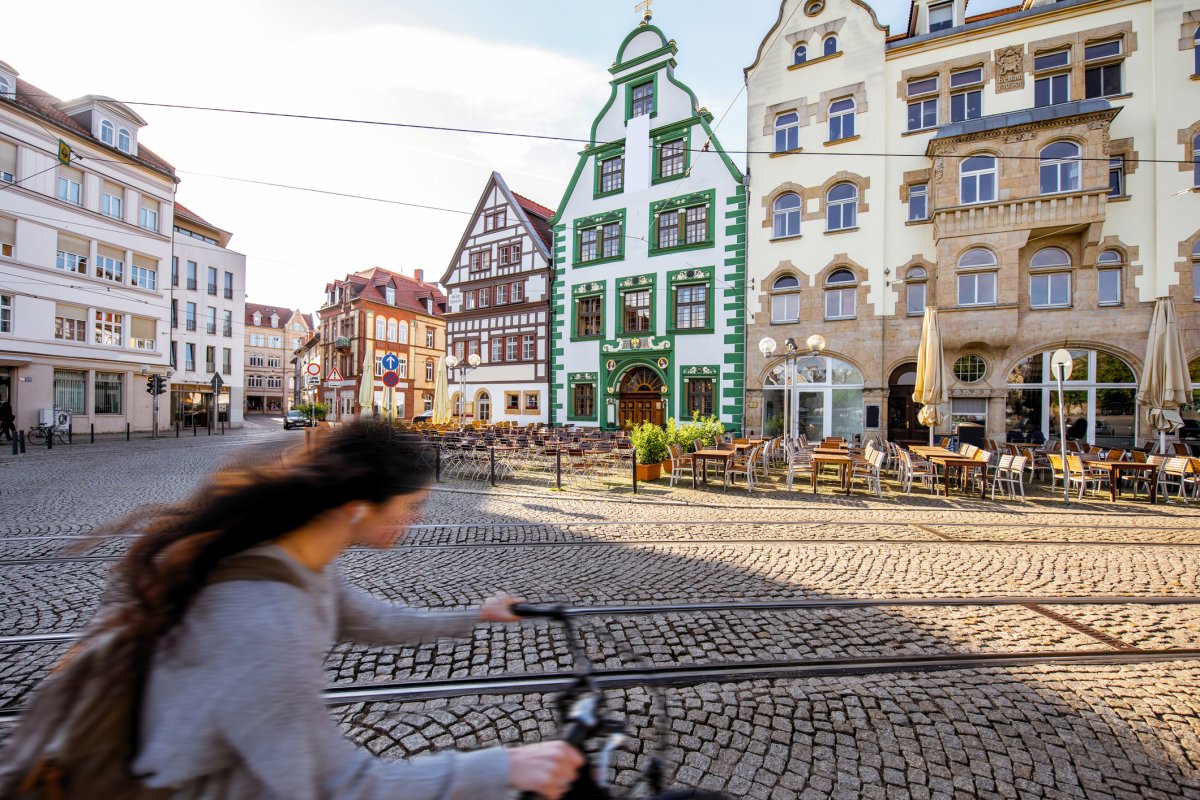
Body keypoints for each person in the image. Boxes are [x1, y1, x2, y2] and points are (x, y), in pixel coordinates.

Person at [13, 422, 583, 799]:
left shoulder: (296, 559)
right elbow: (340, 787)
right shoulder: (265, 620)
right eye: (411, 505)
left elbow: (374, 621)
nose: (417, 519)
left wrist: (477, 615)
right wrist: (504, 767)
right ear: (357, 507)